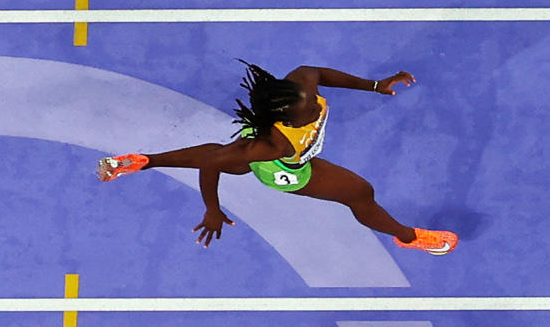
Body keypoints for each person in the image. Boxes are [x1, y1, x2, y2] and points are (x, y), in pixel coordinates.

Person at [96, 63, 456, 254]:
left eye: (309, 99)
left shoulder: (300, 87)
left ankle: (143, 160)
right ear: (284, 117)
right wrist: (212, 210)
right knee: (360, 192)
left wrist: (374, 86)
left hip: (258, 144)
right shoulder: (272, 147)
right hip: (285, 169)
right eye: (306, 108)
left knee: (230, 157)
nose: (313, 104)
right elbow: (211, 165)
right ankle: (409, 238)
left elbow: (316, 72)